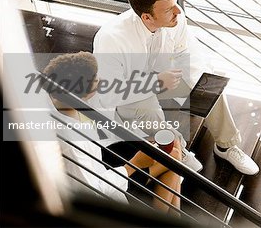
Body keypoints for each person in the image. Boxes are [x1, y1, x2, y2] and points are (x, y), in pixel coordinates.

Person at [93, 0, 259, 175]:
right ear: (147, 17)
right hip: (130, 92)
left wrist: (199, 84)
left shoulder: (175, 19)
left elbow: (187, 53)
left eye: (176, 2)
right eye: (169, 8)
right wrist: (154, 84)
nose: (178, 11)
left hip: (165, 78)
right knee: (148, 109)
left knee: (209, 85)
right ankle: (177, 149)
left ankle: (226, 145)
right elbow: (109, 93)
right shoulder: (110, 39)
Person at [44, 52, 182, 212]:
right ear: (79, 91)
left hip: (101, 155)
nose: (100, 80)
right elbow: (94, 191)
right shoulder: (71, 142)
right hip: (105, 183)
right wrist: (134, 164)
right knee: (173, 157)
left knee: (173, 146)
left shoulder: (60, 100)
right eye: (95, 79)